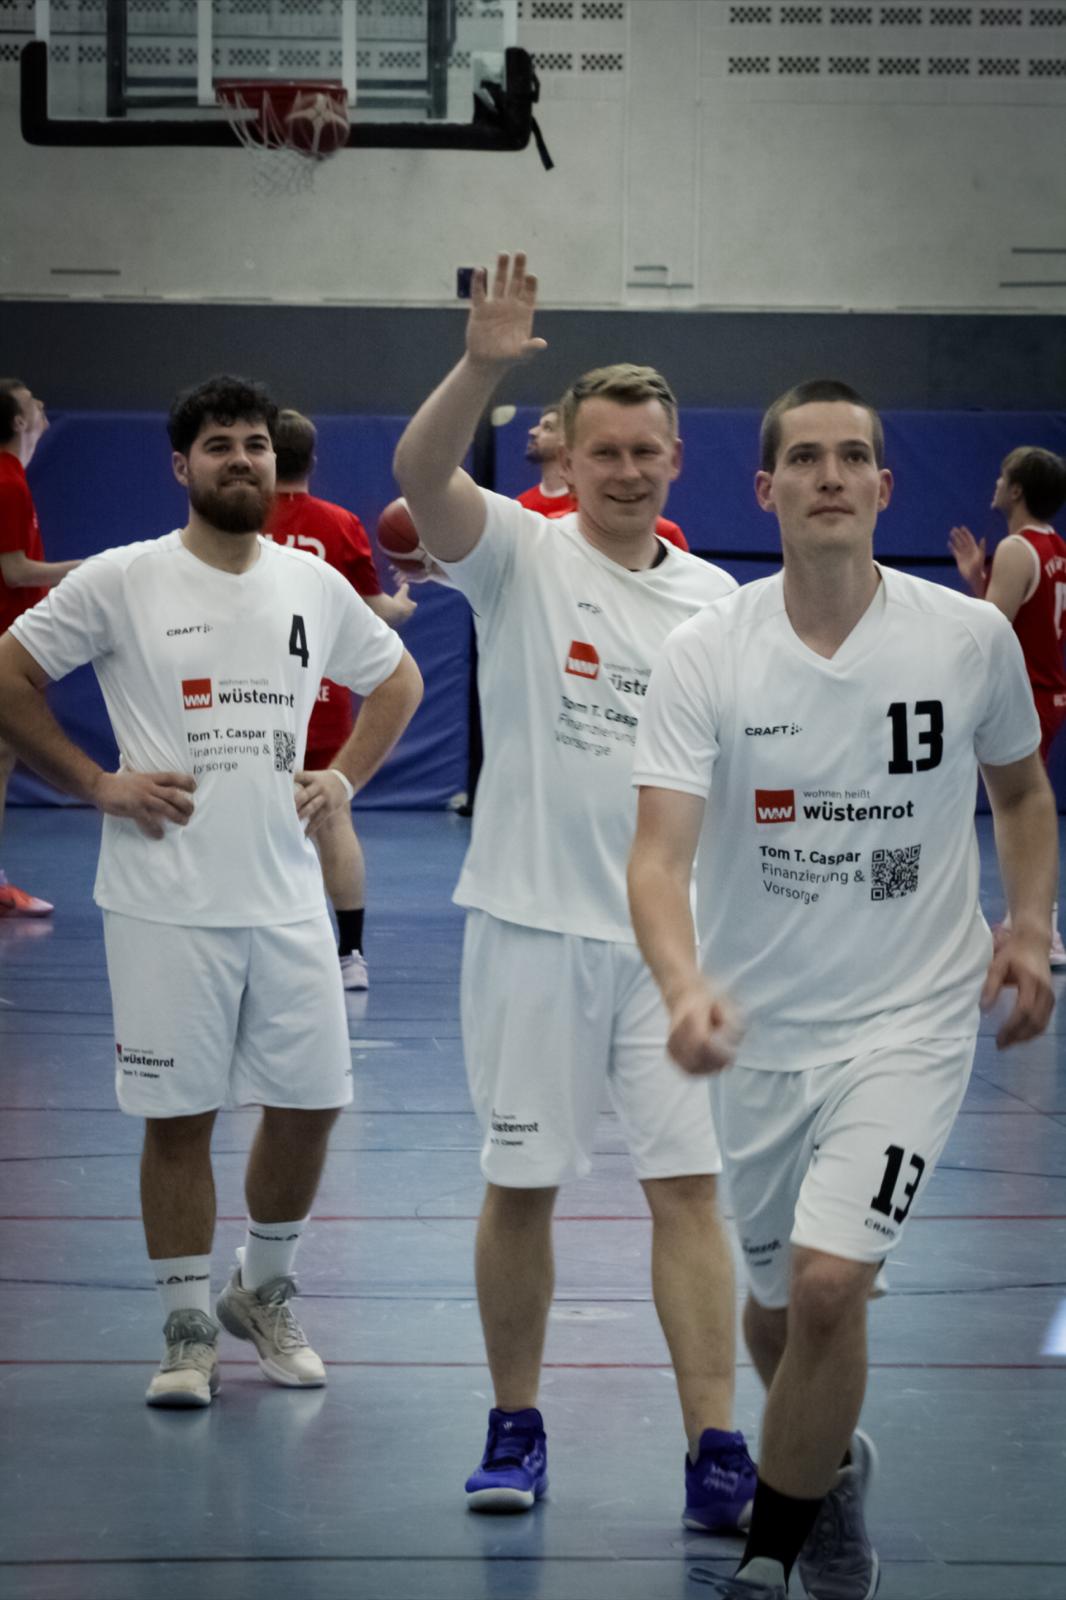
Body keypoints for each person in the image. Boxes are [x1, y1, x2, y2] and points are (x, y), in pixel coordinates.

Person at [627, 379, 1057, 1600]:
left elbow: (1022, 795)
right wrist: (682, 988)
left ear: (883, 483)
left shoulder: (963, 639)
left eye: (852, 456)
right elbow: (655, 856)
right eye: (806, 458)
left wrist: (1029, 927)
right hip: (760, 1035)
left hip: (909, 1022)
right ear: (765, 488)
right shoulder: (707, 652)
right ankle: (829, 1467)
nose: (831, 475)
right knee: (779, 1310)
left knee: (829, 1284)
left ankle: (772, 1551)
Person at [393, 253, 755, 1529]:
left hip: (673, 955)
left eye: (646, 451)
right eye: (605, 450)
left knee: (688, 1191)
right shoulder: (519, 555)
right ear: (570, 455)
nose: (626, 469)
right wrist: (480, 365)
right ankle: (515, 1426)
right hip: (529, 929)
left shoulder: (718, 602)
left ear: (676, 460)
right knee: (522, 1185)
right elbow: (420, 476)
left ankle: (716, 1446)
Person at [0, 374, 422, 1407]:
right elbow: (9, 672)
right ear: (180, 466)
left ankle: (260, 1289)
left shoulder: (311, 583)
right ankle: (187, 1326)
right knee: (179, 1116)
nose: (242, 459)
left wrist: (342, 779)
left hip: (286, 898)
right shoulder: (122, 578)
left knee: (313, 1102)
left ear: (278, 464)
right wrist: (96, 782)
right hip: (163, 899)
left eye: (257, 445)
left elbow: (398, 679)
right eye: (221, 445)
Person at [264, 408, 417, 990]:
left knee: (244, 813)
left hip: (250, 692)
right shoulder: (339, 523)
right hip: (321, 691)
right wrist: (399, 606)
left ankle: (263, 946)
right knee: (331, 814)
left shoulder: (239, 521)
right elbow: (372, 609)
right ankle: (350, 954)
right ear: (312, 460)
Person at [949, 445, 1066, 965]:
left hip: (1027, 693)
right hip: (1049, 690)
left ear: (1016, 490)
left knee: (1018, 806)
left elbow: (989, 631)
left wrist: (972, 591)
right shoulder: (1054, 546)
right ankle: (1026, 923)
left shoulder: (1017, 549)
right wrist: (979, 579)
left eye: (1002, 476)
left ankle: (1040, 929)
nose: (995, 484)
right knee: (1020, 803)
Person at [0, 377, 81, 916]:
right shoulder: (7, 482)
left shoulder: (14, 479)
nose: (43, 405)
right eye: (32, 402)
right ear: (17, 421)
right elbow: (14, 571)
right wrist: (87, 570)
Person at [518, 398, 692, 549]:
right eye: (605, 453)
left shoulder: (664, 533)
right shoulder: (523, 508)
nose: (629, 474)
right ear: (566, 461)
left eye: (644, 451)